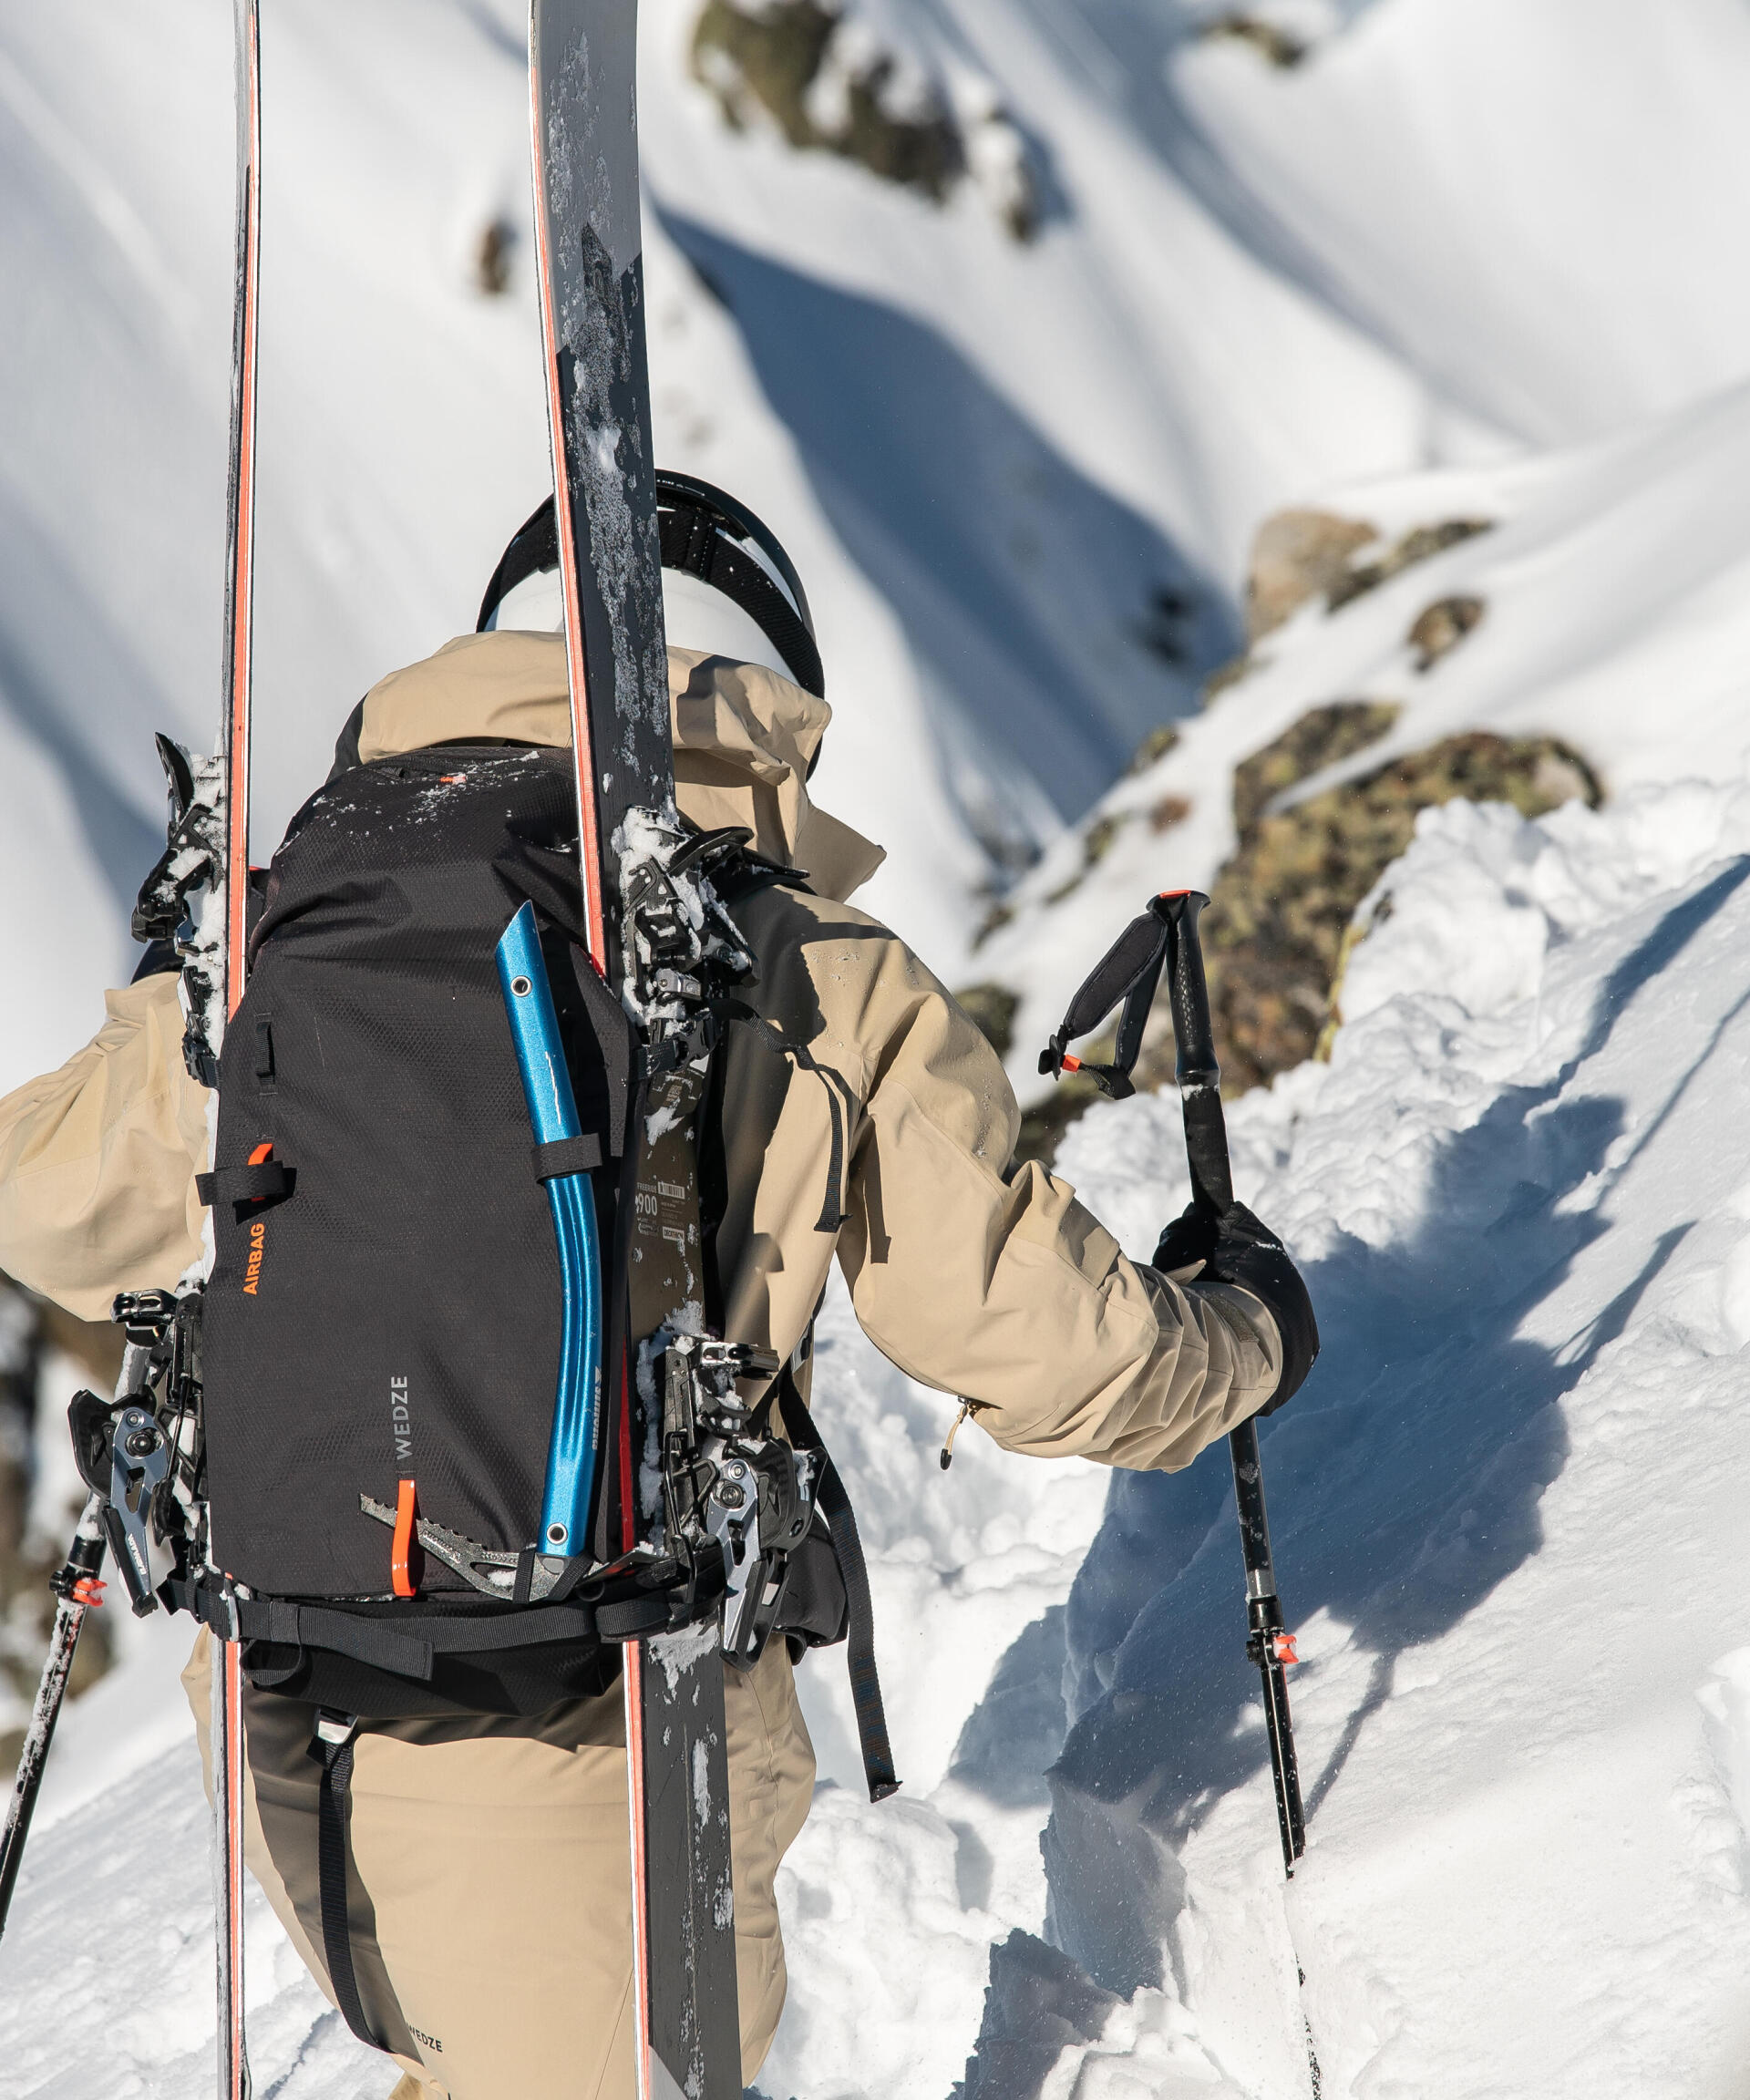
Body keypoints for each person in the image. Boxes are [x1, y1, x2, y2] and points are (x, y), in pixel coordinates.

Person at [0, 480, 1315, 2100]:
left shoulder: (283, 936)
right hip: (590, 1732)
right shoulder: (793, 965)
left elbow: (47, 1209)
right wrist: (1246, 1328)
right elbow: (1058, 1352)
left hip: (276, 1717)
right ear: (766, 705)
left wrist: (178, 1012)